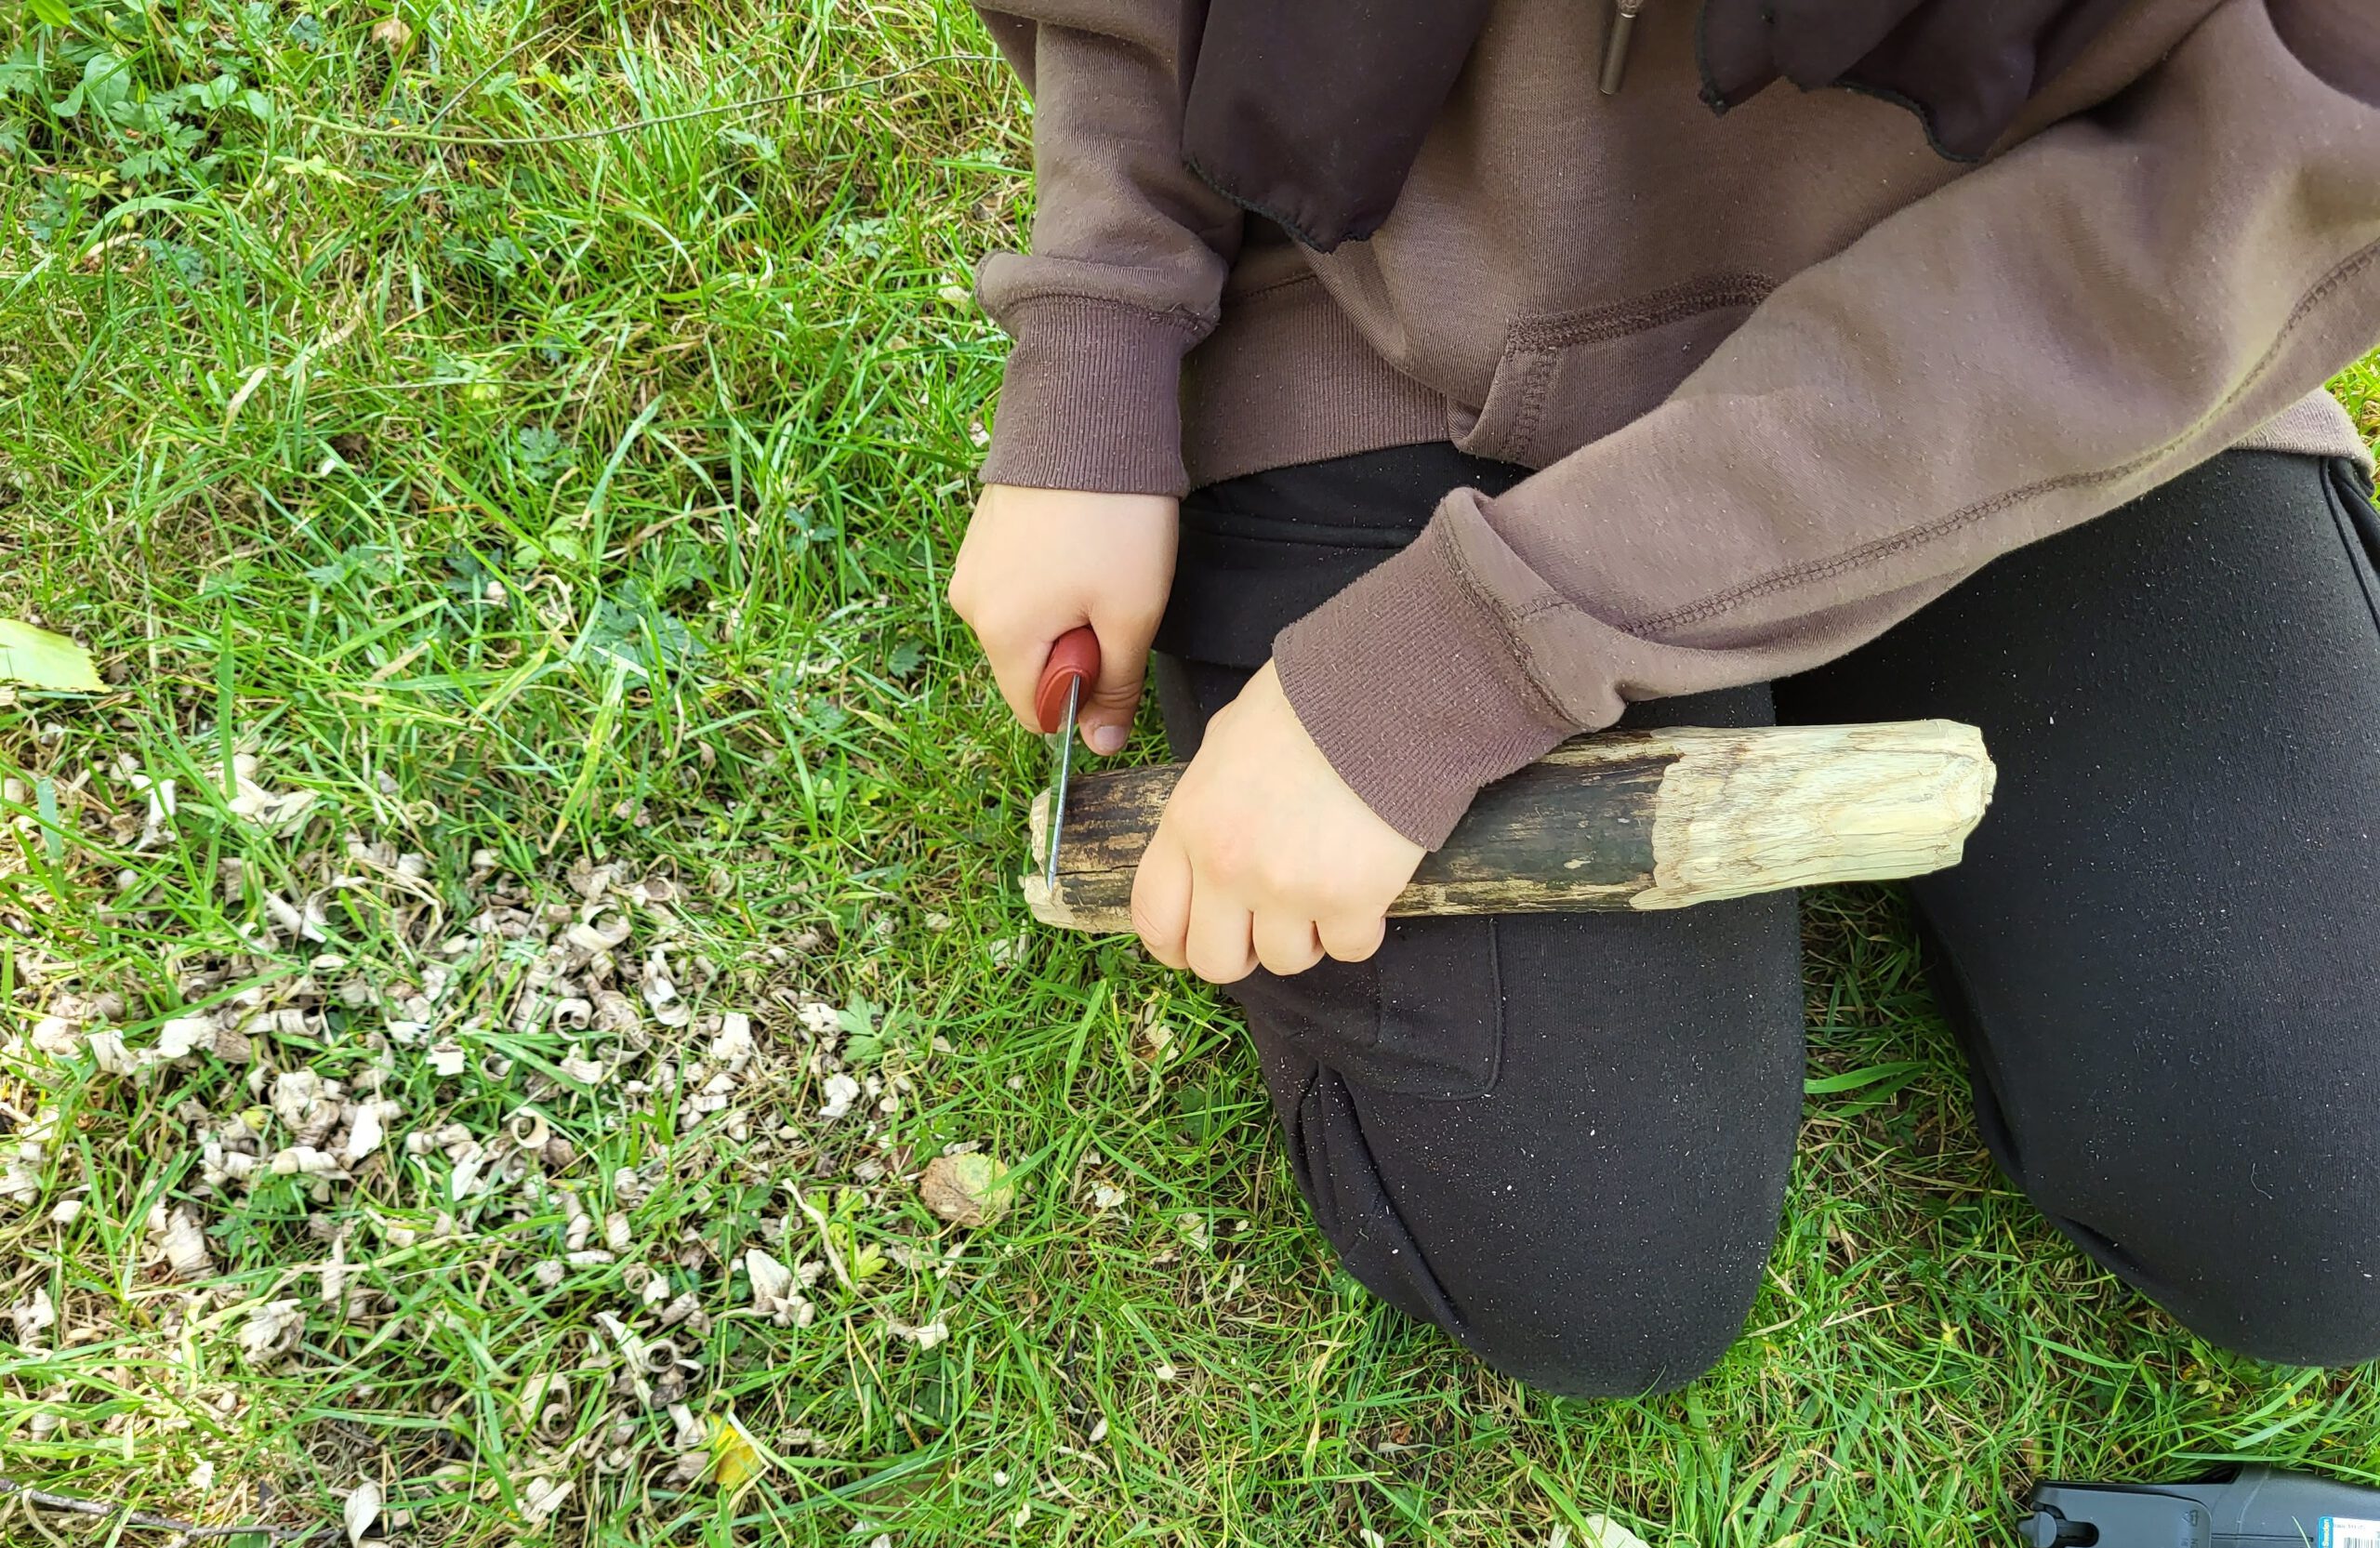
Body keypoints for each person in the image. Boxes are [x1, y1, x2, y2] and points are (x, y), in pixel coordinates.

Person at [947, 0, 2380, 1397]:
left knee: (2336, 1207)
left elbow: (2296, 140)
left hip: (2042, 346)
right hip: (1404, 309)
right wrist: (1103, 331)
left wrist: (1459, 659)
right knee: (1595, 1256)